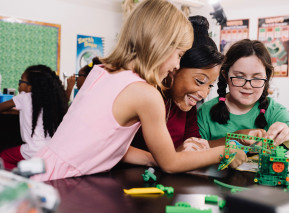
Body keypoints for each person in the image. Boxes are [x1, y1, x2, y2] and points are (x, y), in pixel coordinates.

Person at [30, 0, 244, 182]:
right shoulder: (146, 94)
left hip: (43, 168)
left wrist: (154, 158)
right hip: (63, 181)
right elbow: (171, 163)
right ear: (160, 45)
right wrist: (224, 152)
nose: (177, 65)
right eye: (178, 54)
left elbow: (105, 144)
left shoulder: (101, 72)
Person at [131, 15, 224, 150]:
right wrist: (174, 157)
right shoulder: (143, 94)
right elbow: (117, 147)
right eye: (199, 81)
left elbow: (193, 143)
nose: (204, 94)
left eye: (210, 85)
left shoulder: (186, 105)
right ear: (175, 66)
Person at [197, 39, 289, 149]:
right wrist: (236, 139)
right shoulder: (205, 111)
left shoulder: (272, 110)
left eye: (257, 78)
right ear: (225, 75)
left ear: (266, 79)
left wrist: (288, 134)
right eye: (239, 77)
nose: (248, 86)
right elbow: (196, 150)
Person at [0, 65, 68, 169]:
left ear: (30, 86)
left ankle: (16, 179)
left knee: (3, 157)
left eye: (21, 80)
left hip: (31, 149)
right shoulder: (51, 101)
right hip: (49, 148)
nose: (19, 83)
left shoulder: (23, 98)